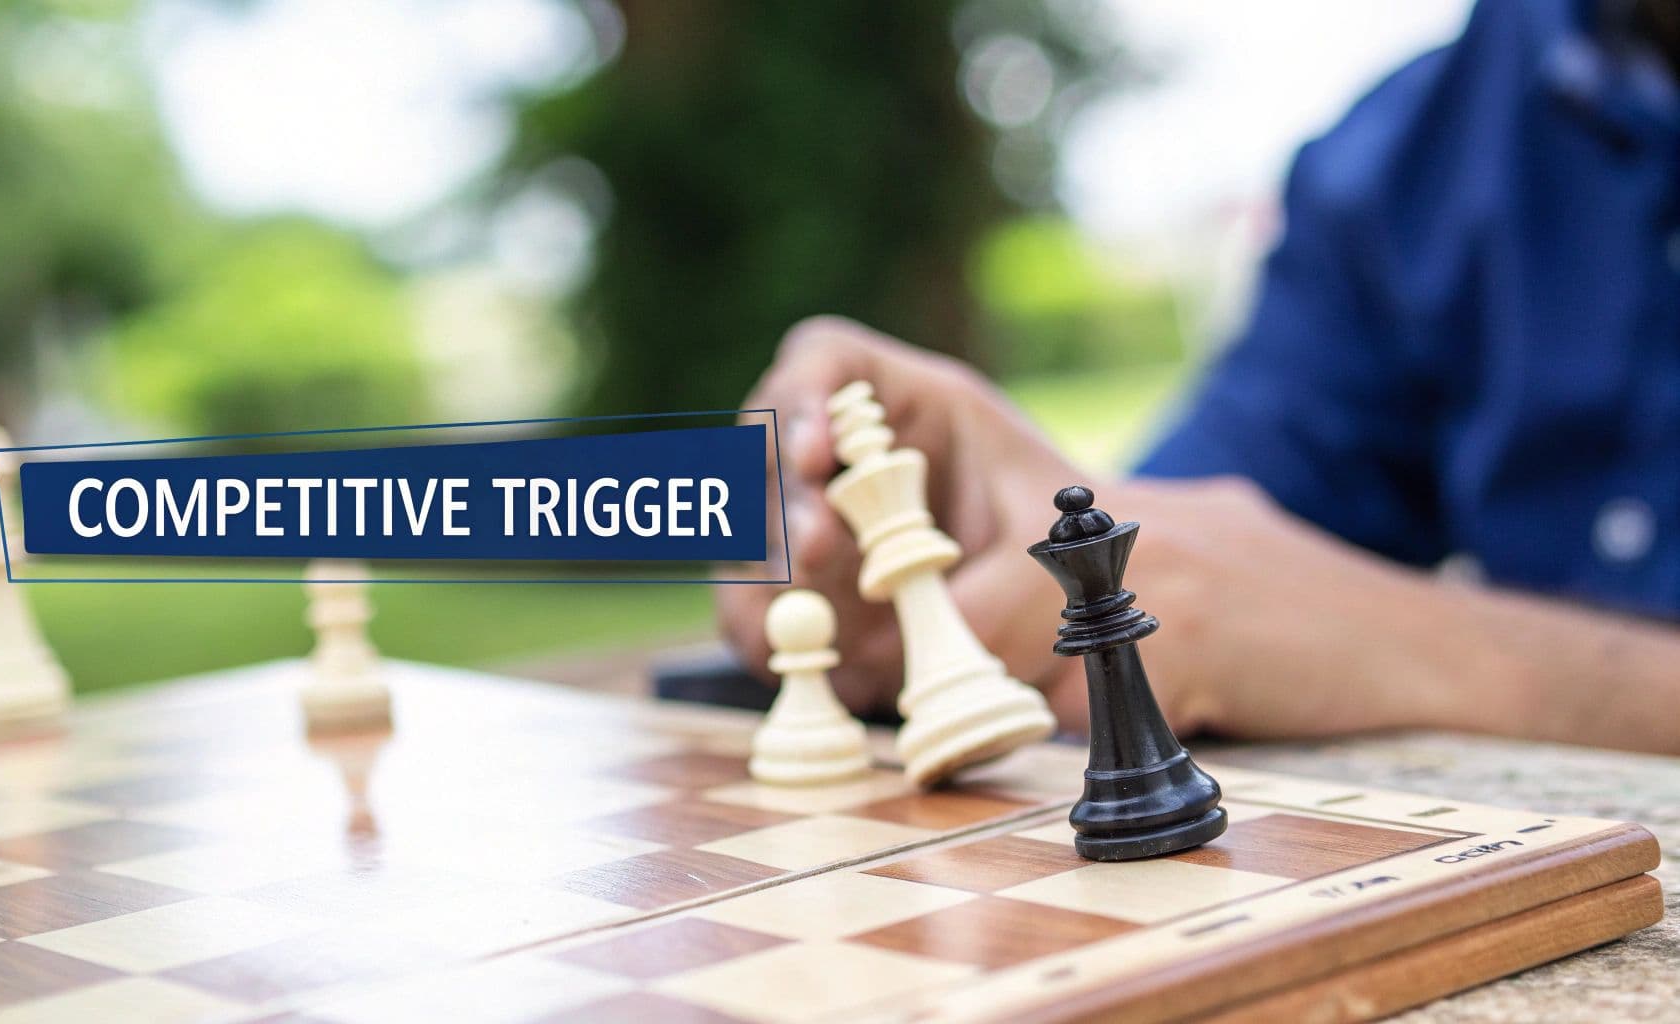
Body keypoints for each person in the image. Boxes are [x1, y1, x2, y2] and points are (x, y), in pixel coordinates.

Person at [718, 0, 1680, 756]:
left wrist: (1455, 657)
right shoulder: (1414, 151)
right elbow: (1206, 558)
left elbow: (1286, 604)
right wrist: (973, 539)